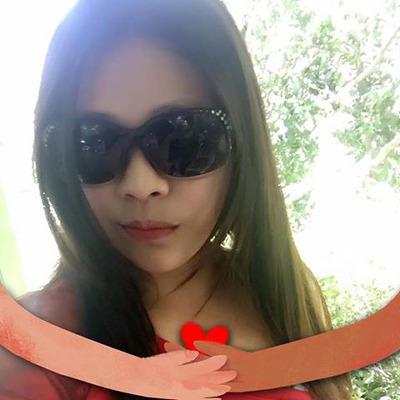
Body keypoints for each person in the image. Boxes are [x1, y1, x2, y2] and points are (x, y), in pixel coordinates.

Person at [0, 0, 353, 399]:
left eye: (183, 140)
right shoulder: (39, 354)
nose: (139, 184)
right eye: (94, 144)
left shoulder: (283, 293)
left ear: (243, 142)